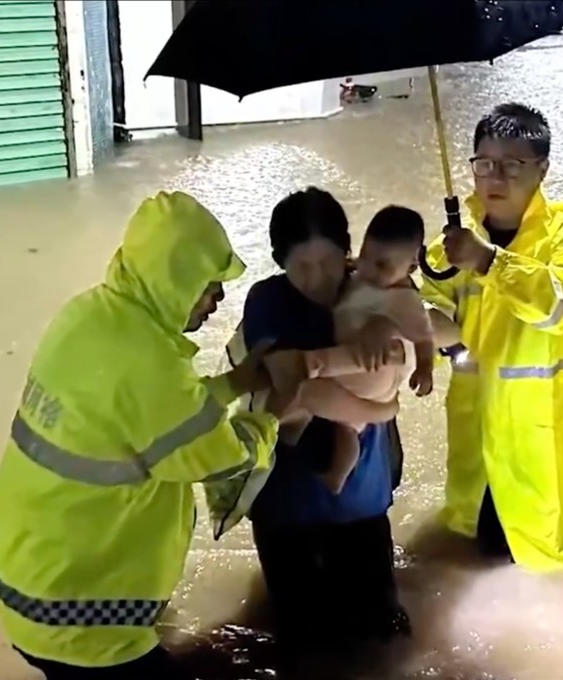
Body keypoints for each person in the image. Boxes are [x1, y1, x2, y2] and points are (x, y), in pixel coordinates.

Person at [0, 191, 301, 679]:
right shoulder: (152, 369)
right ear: (174, 279)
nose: (218, 299)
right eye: (209, 285)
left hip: (25, 579)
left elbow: (146, 416)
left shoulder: (89, 316)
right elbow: (225, 457)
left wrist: (234, 384)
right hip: (80, 618)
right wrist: (276, 411)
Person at [420, 103, 563, 571]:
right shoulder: (451, 244)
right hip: (477, 431)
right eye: (484, 164)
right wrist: (411, 311)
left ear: (543, 169)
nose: (495, 178)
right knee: (472, 559)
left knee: (537, 555)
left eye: (512, 165)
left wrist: (490, 261)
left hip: (538, 433)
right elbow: (433, 308)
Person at [243, 187, 411, 654]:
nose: (318, 279)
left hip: (363, 496)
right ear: (279, 261)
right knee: (302, 641)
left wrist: (385, 325)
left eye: (330, 263)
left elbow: (433, 324)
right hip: (287, 500)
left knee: (383, 636)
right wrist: (380, 410)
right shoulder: (267, 301)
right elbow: (292, 384)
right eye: (302, 267)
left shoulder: (379, 287)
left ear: (349, 253)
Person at [265, 205, 435, 494]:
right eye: (365, 256)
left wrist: (424, 368)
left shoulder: (404, 299)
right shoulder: (356, 276)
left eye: (381, 265)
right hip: (359, 384)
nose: (368, 269)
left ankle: (266, 432)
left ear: (411, 267)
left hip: (367, 370)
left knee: (305, 389)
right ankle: (332, 473)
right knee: (346, 430)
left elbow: (427, 336)